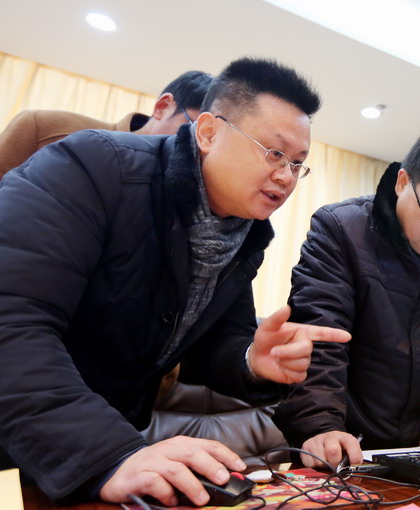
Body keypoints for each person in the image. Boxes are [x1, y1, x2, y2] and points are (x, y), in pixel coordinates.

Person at [0, 57, 350, 505]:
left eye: (298, 164)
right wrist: (109, 454)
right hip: (29, 435)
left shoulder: (240, 235)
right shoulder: (91, 165)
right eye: (274, 152)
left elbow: (212, 346)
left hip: (93, 454)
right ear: (208, 132)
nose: (286, 176)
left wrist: (251, 359)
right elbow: (12, 320)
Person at [273, 124, 420, 469]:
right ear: (402, 182)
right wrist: (321, 424)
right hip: (346, 443)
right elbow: (320, 334)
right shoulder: (341, 230)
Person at [0, 70, 213, 176]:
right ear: (162, 106)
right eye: (195, 128)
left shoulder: (185, 186)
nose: (199, 145)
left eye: (211, 138)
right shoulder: (45, 129)